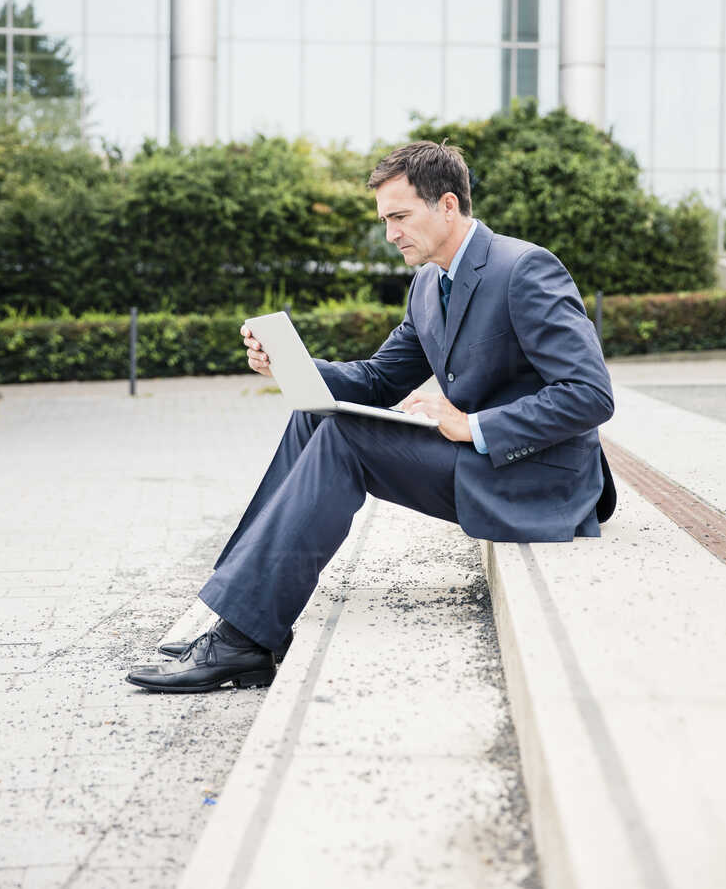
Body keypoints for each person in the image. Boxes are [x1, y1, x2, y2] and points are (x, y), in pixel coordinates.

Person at [126, 140, 616, 694]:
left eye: (400, 216)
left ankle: (242, 640)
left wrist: (473, 425)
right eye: (385, 219)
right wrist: (291, 366)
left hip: (535, 478)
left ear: (448, 205)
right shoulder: (430, 283)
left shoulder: (524, 268)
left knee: (344, 438)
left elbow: (590, 394)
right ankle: (237, 610)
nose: (391, 233)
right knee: (313, 416)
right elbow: (381, 380)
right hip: (479, 464)